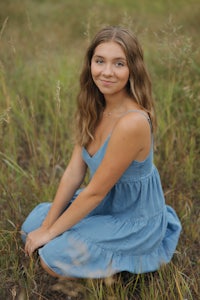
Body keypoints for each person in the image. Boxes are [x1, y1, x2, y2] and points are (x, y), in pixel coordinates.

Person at [21, 26, 181, 278]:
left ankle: (124, 269)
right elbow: (74, 172)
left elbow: (95, 192)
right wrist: (46, 225)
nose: (107, 72)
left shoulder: (132, 122)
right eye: (100, 61)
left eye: (119, 64)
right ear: (90, 64)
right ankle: (82, 242)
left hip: (133, 218)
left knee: (51, 258)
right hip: (106, 204)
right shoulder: (92, 106)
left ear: (132, 70)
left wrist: (50, 234)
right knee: (30, 226)